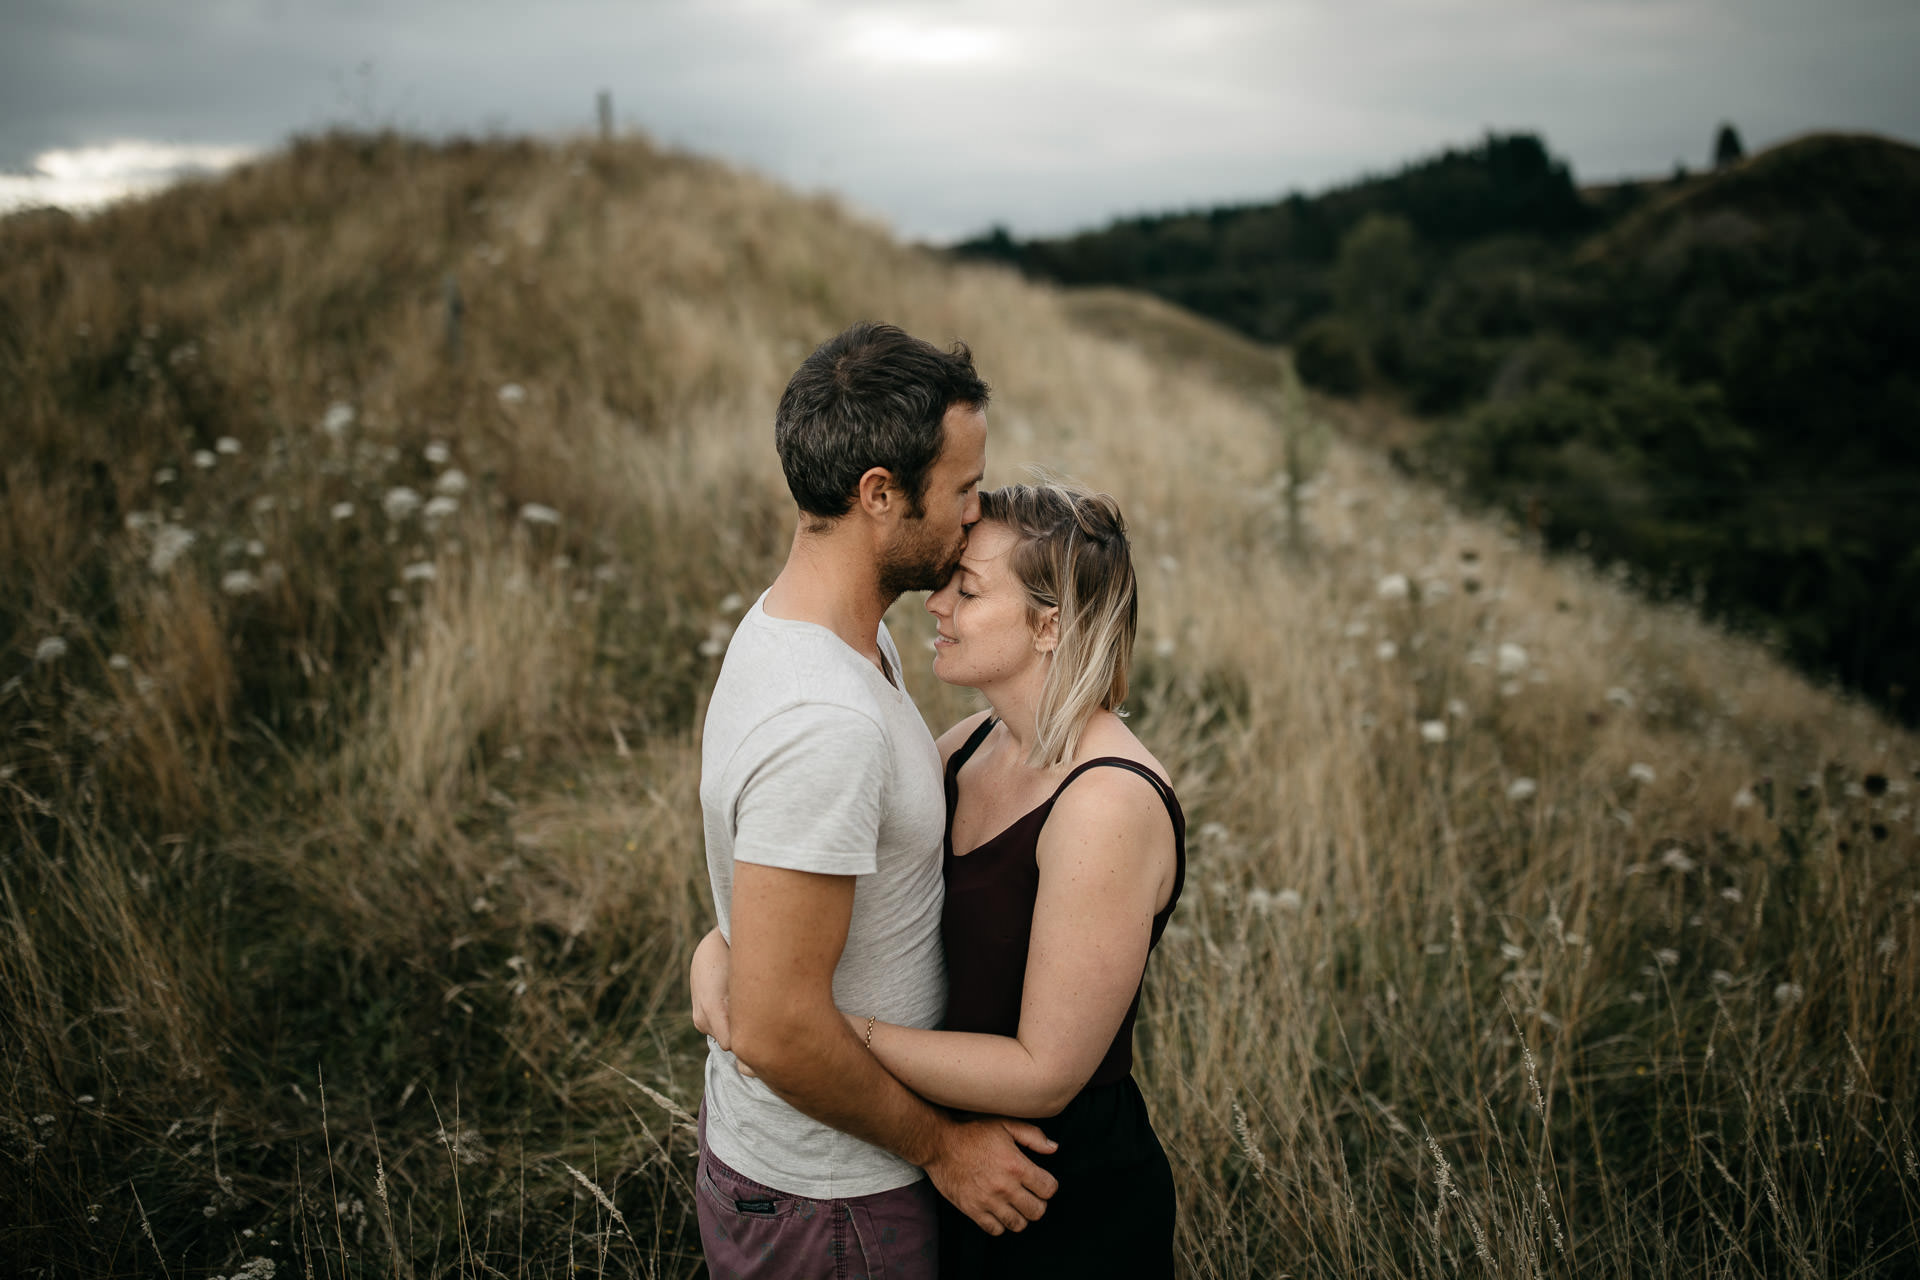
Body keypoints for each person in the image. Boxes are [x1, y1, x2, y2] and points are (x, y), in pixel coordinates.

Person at [696, 479, 1187, 1277]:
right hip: (942, 1163)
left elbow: (1045, 1075)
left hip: (1051, 1190)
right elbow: (832, 871)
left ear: (1050, 624)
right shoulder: (966, 745)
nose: (934, 604)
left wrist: (825, 1030)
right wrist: (719, 946)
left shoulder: (1106, 805)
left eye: (968, 588)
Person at [692, 322, 1061, 1280]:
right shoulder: (827, 718)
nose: (977, 516)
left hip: (832, 1177)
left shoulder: (826, 635)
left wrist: (719, 942)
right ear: (879, 494)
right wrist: (943, 1149)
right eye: (964, 490)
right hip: (832, 1200)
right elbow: (776, 1026)